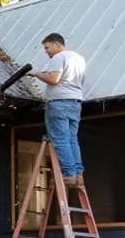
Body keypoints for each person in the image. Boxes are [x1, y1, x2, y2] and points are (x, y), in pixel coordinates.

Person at [30, 33, 86, 187]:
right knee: (72, 139)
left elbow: (53, 79)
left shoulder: (59, 57)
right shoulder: (79, 59)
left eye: (47, 48)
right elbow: (82, 80)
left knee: (60, 139)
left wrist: (36, 73)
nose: (46, 51)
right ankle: (78, 174)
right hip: (75, 103)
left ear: (56, 44)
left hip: (59, 103)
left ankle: (69, 174)